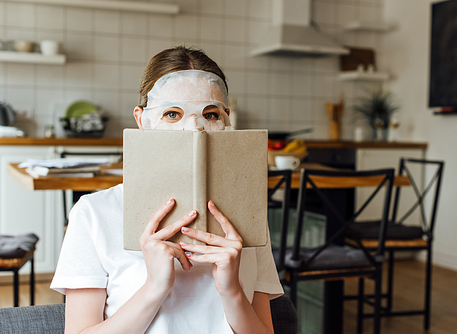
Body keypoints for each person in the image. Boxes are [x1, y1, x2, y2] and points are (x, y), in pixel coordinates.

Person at [50, 46, 283, 334]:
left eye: (210, 115)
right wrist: (155, 287)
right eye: (172, 114)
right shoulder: (94, 213)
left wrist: (232, 291)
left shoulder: (248, 215)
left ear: (226, 121)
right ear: (141, 120)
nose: (193, 129)